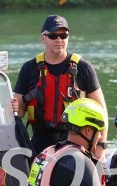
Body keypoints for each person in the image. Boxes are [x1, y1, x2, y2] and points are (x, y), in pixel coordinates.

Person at [13, 15, 107, 158]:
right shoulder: (29, 68)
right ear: (43, 38)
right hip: (40, 141)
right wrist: (12, 107)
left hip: (76, 141)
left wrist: (101, 145)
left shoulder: (83, 68)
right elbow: (18, 111)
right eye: (53, 36)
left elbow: (101, 111)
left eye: (63, 35)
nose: (59, 40)